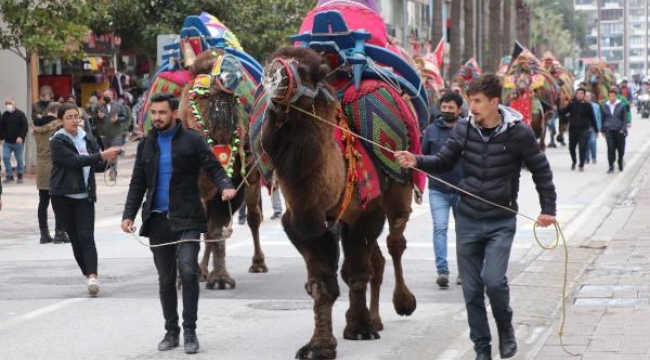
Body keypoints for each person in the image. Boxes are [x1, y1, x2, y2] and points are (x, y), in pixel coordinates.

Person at [395, 73, 557, 360]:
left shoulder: (519, 132)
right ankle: (482, 350)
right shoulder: (463, 130)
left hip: (500, 221)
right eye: (470, 101)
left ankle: (505, 329)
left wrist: (548, 210)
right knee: (471, 293)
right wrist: (415, 160)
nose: (472, 107)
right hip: (468, 219)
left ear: (495, 102)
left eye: (478, 101)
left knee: (493, 281)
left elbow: (541, 170)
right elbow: (444, 161)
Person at [120, 93, 236, 354]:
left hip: (188, 217)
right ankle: (171, 331)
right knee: (165, 278)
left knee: (187, 270)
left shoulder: (192, 140)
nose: (157, 117)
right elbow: (137, 183)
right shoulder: (146, 145)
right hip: (157, 219)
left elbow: (214, 167)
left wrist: (226, 186)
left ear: (174, 114)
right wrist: (128, 215)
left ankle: (190, 331)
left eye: (162, 113)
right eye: (154, 113)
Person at [50, 103, 122, 295]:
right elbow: (75, 162)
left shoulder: (87, 137)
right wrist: (101, 155)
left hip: (85, 196)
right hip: (62, 196)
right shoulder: (57, 141)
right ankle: (87, 272)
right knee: (74, 238)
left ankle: (92, 276)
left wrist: (108, 161)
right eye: (69, 117)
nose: (74, 120)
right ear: (61, 121)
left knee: (87, 237)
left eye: (77, 116)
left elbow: (94, 166)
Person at [420, 91, 464, 288]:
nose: (446, 111)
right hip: (438, 190)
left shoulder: (468, 129)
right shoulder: (430, 130)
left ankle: (465, 270)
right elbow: (422, 157)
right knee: (440, 228)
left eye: (450, 108)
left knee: (464, 232)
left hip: (464, 190)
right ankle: (442, 270)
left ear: (459, 110)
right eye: (443, 108)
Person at [33, 101, 69, 244]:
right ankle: (60, 232)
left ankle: (44, 234)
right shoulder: (57, 126)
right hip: (54, 165)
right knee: (59, 201)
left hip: (41, 166)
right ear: (56, 111)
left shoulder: (36, 126)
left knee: (43, 201)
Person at [558, 88, 598, 172]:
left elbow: (593, 118)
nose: (579, 95)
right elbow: (563, 112)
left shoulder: (588, 106)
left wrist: (596, 130)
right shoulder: (572, 104)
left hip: (584, 130)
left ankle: (581, 164)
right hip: (573, 130)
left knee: (582, 147)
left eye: (581, 94)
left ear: (584, 95)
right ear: (576, 95)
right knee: (571, 147)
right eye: (578, 94)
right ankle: (574, 161)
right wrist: (559, 104)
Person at [95, 89, 126, 181]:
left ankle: (113, 171)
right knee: (107, 153)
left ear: (112, 95)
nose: (106, 96)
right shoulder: (100, 106)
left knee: (114, 153)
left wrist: (118, 119)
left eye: (108, 94)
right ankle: (109, 169)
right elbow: (94, 119)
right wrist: (98, 117)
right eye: (105, 95)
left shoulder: (119, 105)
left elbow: (125, 116)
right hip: (104, 134)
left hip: (116, 133)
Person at [601, 89, 630, 173]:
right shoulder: (604, 106)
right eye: (610, 96)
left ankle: (620, 161)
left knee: (620, 149)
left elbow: (624, 119)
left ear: (616, 96)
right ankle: (611, 165)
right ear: (608, 97)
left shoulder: (621, 106)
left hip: (619, 130)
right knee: (610, 148)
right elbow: (603, 119)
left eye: (613, 96)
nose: (611, 98)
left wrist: (623, 129)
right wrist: (602, 129)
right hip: (609, 130)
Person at [0, 99, 28, 183]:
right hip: (7, 142)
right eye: (7, 104)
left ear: (15, 104)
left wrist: (21, 137)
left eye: (10, 103)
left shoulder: (21, 114)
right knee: (5, 157)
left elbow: (25, 127)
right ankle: (9, 175)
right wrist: (1, 138)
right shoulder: (5, 115)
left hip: (18, 142)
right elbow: (1, 127)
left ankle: (20, 175)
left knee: (19, 159)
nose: (8, 105)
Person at [585, 92, 601, 165]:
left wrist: (599, 128)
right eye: (586, 96)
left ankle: (594, 157)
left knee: (592, 142)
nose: (587, 98)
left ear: (591, 97)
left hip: (593, 127)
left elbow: (598, 117)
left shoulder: (596, 106)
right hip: (584, 128)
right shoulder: (582, 106)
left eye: (588, 96)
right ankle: (586, 158)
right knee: (585, 144)